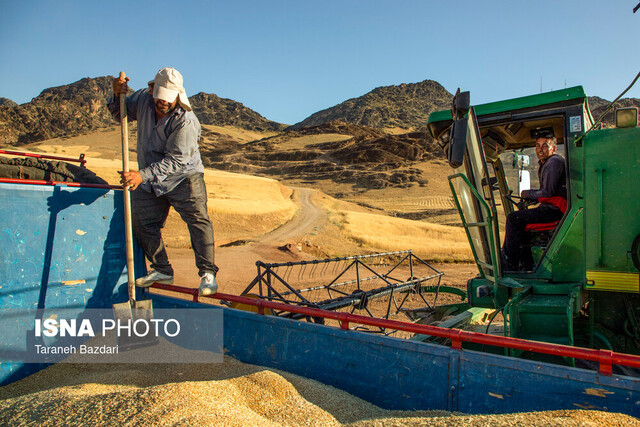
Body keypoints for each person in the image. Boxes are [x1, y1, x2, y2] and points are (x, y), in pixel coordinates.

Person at [108, 67, 219, 295]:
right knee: (141, 221)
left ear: (178, 95)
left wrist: (142, 175)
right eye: (160, 98)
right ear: (152, 90)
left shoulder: (186, 121)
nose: (163, 103)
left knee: (198, 221)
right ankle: (162, 268)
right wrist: (117, 95)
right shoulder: (142, 99)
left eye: (169, 99)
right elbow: (120, 113)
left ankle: (207, 274)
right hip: (150, 178)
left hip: (184, 177)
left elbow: (176, 161)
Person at [501, 134, 566, 271]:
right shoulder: (547, 163)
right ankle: (526, 264)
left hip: (554, 211)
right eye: (537, 145)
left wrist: (527, 193)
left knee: (513, 219)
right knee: (522, 224)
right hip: (552, 208)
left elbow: (547, 192)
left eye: (544, 146)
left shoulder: (554, 162)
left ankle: (509, 263)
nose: (540, 149)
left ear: (553, 148)